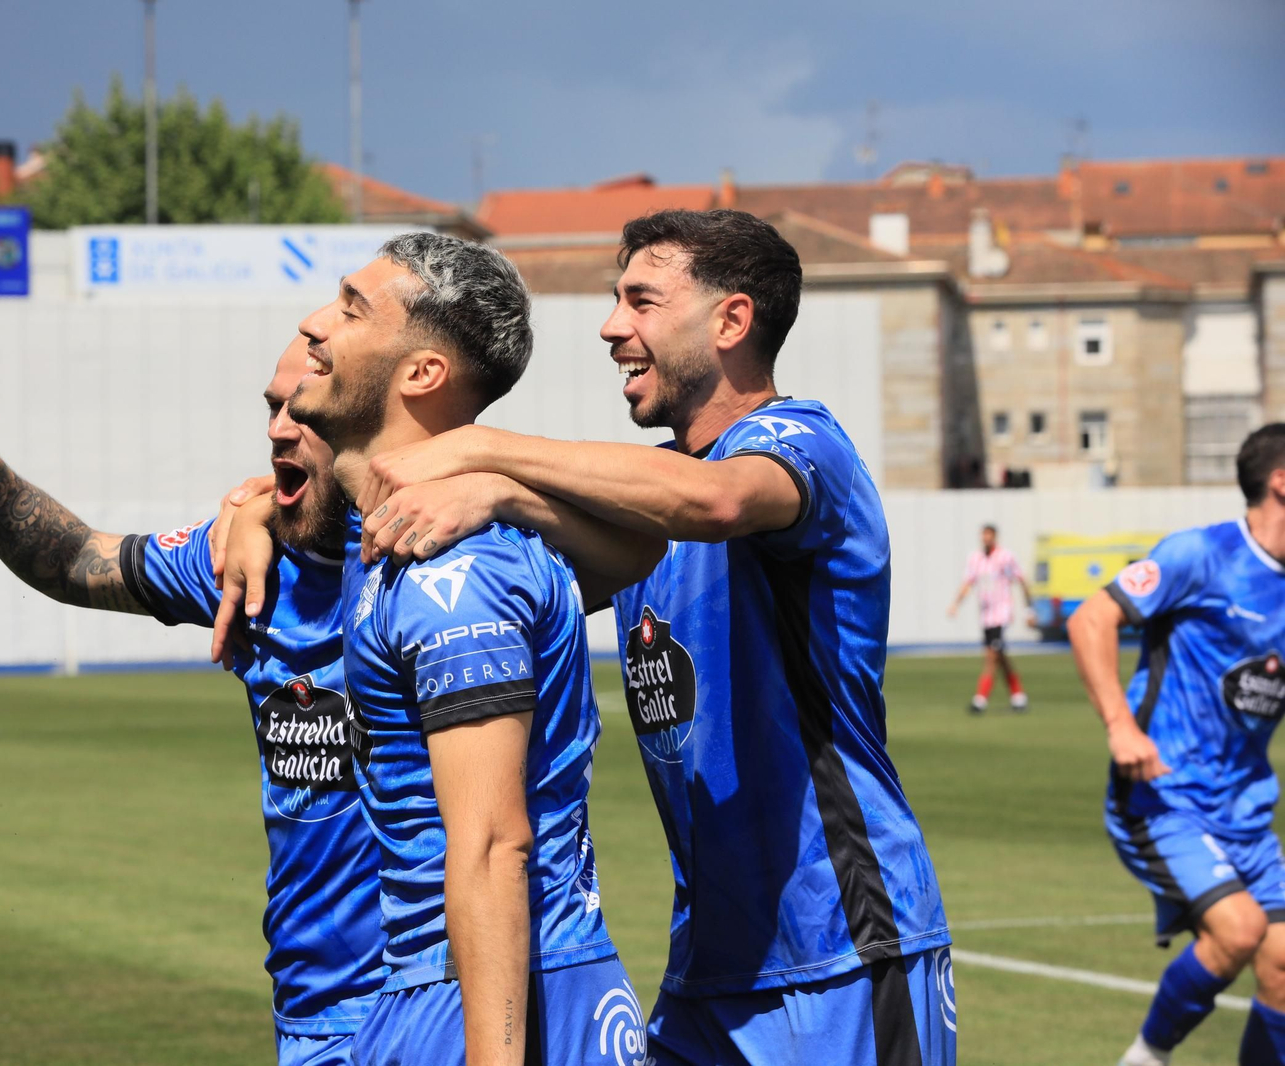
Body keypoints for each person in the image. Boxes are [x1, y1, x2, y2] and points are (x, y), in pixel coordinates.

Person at [0, 341, 653, 1066]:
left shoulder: (461, 548)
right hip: (317, 1015)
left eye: (305, 411)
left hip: (461, 994)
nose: (278, 429)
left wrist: (502, 483)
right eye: (272, 408)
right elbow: (71, 560)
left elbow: (659, 527)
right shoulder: (244, 561)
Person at [353, 210, 954, 1064]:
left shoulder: (799, 443)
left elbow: (714, 504)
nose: (610, 327)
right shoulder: (643, 510)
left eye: (640, 301)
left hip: (844, 953)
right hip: (708, 970)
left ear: (731, 321)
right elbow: (529, 602)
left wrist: (482, 452)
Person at [257, 233, 658, 1066]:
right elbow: (629, 556)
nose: (316, 326)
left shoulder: (449, 567)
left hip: (488, 996)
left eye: (350, 308)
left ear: (421, 374)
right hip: (440, 985)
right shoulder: (412, 534)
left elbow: (489, 843)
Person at [1068, 423, 1285, 1066]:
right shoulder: (1203, 555)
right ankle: (1144, 1059)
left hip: (1245, 811)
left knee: (1282, 969)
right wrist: (1120, 725)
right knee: (1240, 930)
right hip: (1164, 797)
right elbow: (1091, 618)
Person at [947, 523, 1032, 713]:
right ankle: (1018, 695)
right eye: (983, 535)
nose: (985, 539)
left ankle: (980, 698)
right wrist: (955, 604)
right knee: (999, 655)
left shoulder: (1005, 557)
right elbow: (968, 583)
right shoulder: (975, 558)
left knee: (991, 655)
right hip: (986, 615)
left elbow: (1021, 580)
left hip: (1001, 613)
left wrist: (1029, 610)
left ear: (995, 537)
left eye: (989, 535)